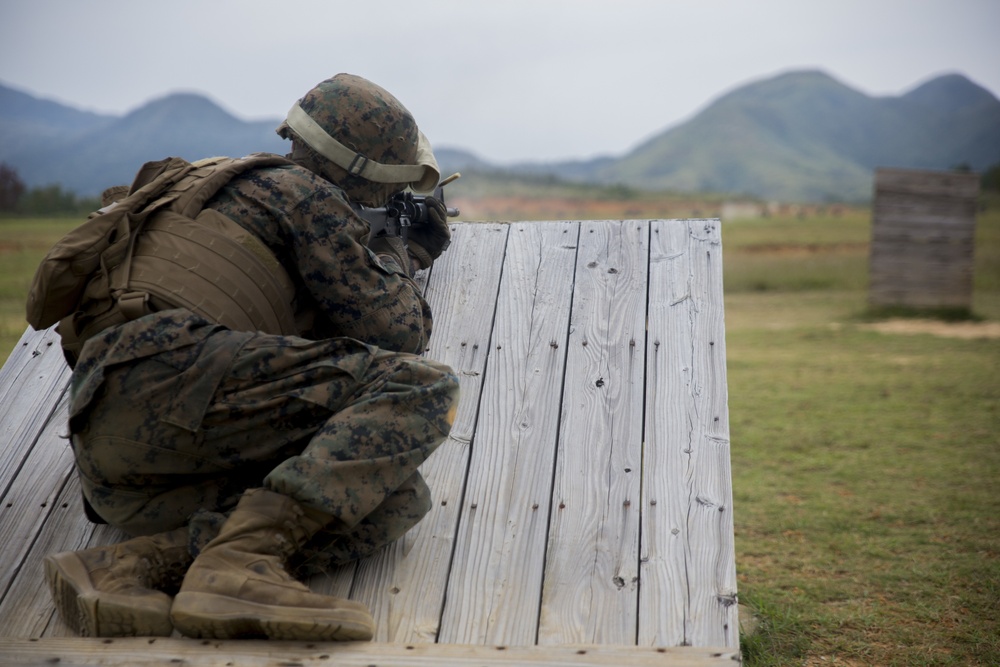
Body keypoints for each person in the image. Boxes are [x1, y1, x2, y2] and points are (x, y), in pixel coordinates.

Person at [39, 74, 460, 642]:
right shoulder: (303, 192)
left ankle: (133, 564)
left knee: (382, 492)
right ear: (361, 170)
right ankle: (236, 568)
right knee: (422, 386)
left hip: (113, 452)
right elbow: (401, 334)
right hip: (179, 377)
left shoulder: (206, 184)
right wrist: (399, 252)